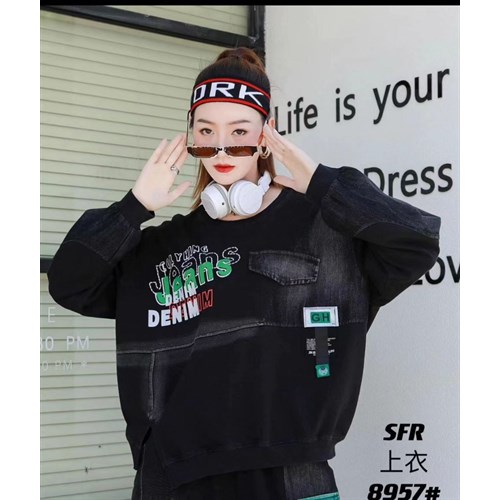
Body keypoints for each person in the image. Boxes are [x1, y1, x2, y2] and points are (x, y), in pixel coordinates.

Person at [47, 47, 441, 500]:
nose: (221, 149)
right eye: (206, 132)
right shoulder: (159, 249)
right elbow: (70, 282)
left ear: (265, 135)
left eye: (238, 132)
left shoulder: (324, 231)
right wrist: (133, 208)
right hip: (175, 481)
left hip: (292, 477)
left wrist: (322, 183)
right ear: (190, 136)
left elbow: (416, 240)